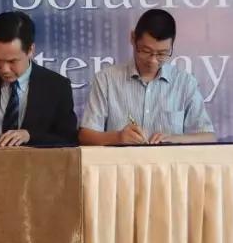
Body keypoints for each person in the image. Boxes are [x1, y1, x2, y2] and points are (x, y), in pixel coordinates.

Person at [79, 9, 215, 145]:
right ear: (133, 38)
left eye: (162, 53)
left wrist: (175, 139)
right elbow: (85, 136)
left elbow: (208, 137)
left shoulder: (185, 83)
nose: (153, 61)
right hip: (122, 159)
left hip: (169, 159)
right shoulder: (106, 80)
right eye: (146, 51)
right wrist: (118, 137)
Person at [0, 11, 78, 147]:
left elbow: (68, 139)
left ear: (30, 50)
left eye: (12, 61)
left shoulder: (57, 86)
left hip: (37, 160)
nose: (4, 69)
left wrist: (29, 136)